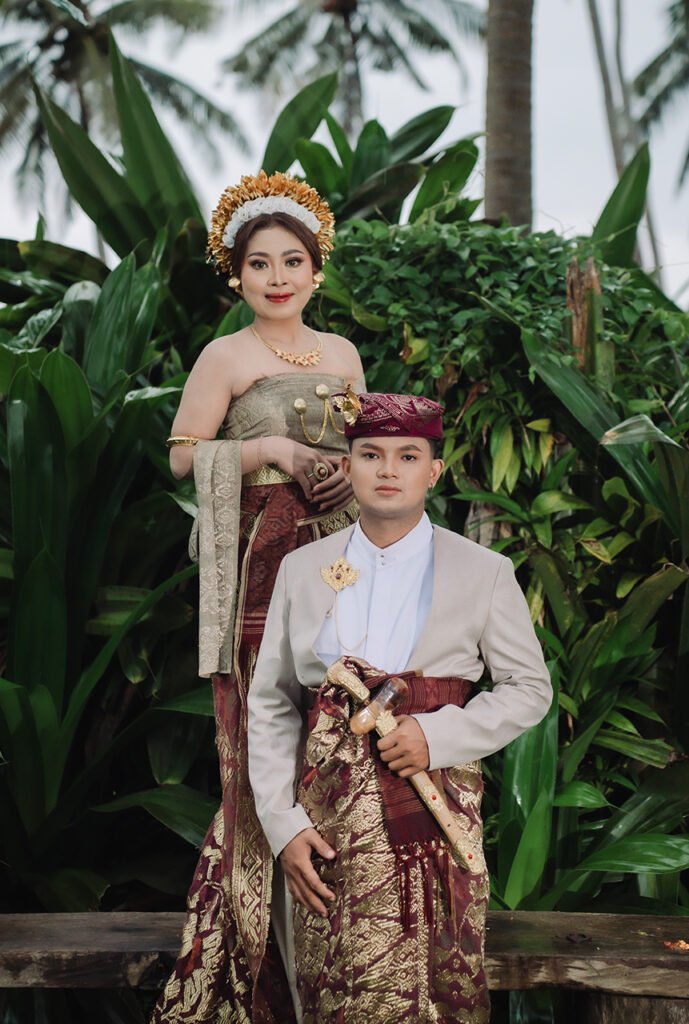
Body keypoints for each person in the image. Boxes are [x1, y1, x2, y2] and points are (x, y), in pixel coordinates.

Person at [247, 392, 552, 1023]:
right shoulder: (303, 569)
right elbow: (273, 701)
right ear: (348, 466)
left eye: (408, 456)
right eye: (371, 454)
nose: (388, 469)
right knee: (334, 987)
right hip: (325, 826)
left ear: (433, 471)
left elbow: (529, 688)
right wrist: (283, 825)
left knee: (434, 990)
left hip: (433, 815)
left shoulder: (485, 571)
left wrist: (438, 736)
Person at [152, 172, 365, 1024]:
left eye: (292, 261)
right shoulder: (226, 357)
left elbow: (369, 448)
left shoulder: (343, 353)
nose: (277, 277)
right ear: (235, 275)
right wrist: (274, 447)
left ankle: (346, 951)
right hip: (264, 568)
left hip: (343, 560)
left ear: (317, 269)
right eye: (259, 264)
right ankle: (258, 962)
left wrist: (349, 470)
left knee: (346, 731)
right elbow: (182, 455)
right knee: (269, 738)